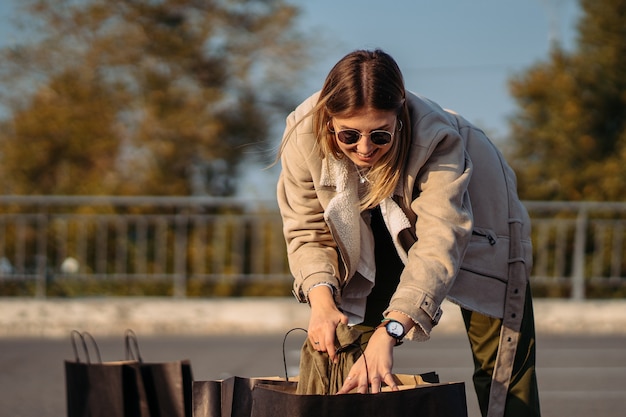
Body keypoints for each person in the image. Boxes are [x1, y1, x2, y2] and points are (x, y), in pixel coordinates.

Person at [276, 49, 540, 417]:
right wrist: (321, 302)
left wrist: (393, 331)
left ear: (399, 120)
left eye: (380, 136)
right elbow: (307, 228)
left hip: (482, 226)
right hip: (373, 221)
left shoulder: (437, 139)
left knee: (502, 372)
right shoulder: (303, 133)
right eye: (349, 135)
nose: (365, 149)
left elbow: (439, 241)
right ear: (328, 121)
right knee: (355, 350)